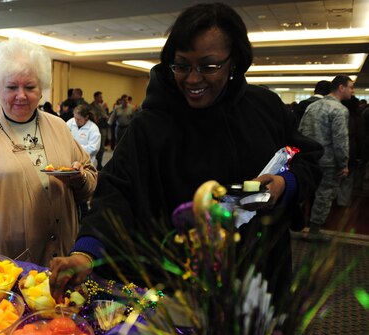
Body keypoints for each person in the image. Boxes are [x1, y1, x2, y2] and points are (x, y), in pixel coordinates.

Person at [49, 3, 321, 302]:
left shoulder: (264, 108)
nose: (193, 79)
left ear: (235, 62)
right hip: (173, 288)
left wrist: (286, 184)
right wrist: (85, 253)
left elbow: (307, 160)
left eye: (208, 66)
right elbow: (116, 193)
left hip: (256, 278)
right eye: (182, 65)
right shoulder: (150, 124)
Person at [0, 38, 97, 266]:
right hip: (9, 263)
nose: (21, 95)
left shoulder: (59, 127)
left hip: (63, 255)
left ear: (41, 89)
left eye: (30, 87)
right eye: (12, 87)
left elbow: (90, 183)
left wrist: (79, 178)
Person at [298, 74, 354, 237]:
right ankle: (314, 231)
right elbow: (340, 139)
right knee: (324, 195)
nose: (352, 91)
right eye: (350, 87)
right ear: (341, 88)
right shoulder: (340, 110)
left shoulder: (312, 106)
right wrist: (343, 164)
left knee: (303, 192)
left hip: (308, 159)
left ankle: (294, 225)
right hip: (328, 162)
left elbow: (301, 132)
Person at [89, 91, 110, 169]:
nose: (101, 98)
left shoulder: (101, 106)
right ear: (95, 97)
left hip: (103, 127)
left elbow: (105, 116)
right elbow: (94, 117)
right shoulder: (91, 106)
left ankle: (99, 163)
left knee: (101, 147)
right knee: (95, 146)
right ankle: (93, 163)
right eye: (100, 97)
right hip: (95, 128)